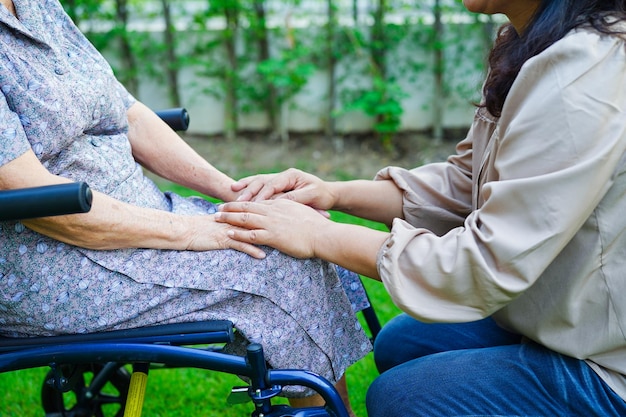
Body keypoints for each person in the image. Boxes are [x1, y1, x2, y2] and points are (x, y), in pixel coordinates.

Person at [216, 0, 626, 415]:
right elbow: (466, 185)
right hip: (567, 314)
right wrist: (330, 193)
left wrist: (321, 235)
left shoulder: (581, 74)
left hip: (608, 359)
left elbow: (481, 266)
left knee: (401, 396)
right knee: (403, 343)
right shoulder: (534, 43)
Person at [0, 0, 372, 412]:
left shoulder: (36, 5)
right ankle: (320, 405)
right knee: (275, 260)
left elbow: (129, 116)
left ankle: (327, 402)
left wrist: (235, 193)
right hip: (56, 260)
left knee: (289, 227)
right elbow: (37, 200)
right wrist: (198, 231)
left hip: (143, 216)